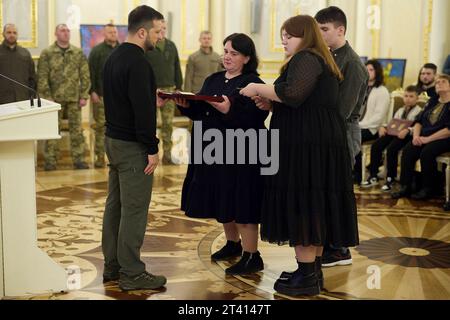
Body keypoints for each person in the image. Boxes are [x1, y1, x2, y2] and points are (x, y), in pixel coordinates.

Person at [240, 15, 359, 296]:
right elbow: (303, 102)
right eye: (283, 36)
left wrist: (258, 88)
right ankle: (311, 271)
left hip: (307, 147)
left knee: (304, 205)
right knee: (314, 205)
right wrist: (273, 105)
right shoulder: (321, 58)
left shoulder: (307, 57)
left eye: (289, 37)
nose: (284, 41)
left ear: (305, 38)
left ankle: (306, 276)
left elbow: (292, 93)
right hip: (316, 142)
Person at [175, 33, 269, 275]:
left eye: (234, 53)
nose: (227, 56)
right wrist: (187, 105)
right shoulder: (214, 78)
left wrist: (230, 109)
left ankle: (252, 255)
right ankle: (232, 244)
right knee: (223, 196)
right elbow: (203, 111)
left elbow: (257, 117)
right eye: (225, 51)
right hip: (213, 149)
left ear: (247, 58)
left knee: (242, 200)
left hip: (243, 150)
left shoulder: (253, 82)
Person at [101, 5, 167, 291]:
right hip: (132, 146)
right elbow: (142, 111)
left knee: (115, 206)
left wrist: (148, 97)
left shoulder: (113, 56)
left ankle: (112, 266)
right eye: (157, 31)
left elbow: (123, 99)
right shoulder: (139, 62)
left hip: (113, 139)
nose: (161, 37)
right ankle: (132, 272)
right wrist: (151, 147)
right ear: (142, 32)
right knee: (135, 209)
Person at [314, 6, 368, 268]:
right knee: (324, 188)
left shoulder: (353, 63)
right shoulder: (324, 56)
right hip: (326, 129)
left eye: (324, 29)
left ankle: (339, 249)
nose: (319, 34)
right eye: (317, 29)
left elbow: (343, 110)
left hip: (343, 131)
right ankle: (327, 242)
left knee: (337, 189)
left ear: (340, 30)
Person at [38, 24, 91, 171]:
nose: (66, 33)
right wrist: (47, 97)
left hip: (74, 98)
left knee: (77, 130)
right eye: (62, 30)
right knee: (53, 130)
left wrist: (84, 95)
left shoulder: (77, 52)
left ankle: (79, 159)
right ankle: (50, 160)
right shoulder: (47, 53)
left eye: (68, 31)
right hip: (54, 99)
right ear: (56, 33)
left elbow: (85, 75)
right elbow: (42, 76)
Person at [392, 74, 450, 200]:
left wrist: (428, 139)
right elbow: (419, 121)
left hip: (443, 138)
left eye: (443, 81)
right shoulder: (432, 101)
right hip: (423, 136)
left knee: (427, 153)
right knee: (408, 151)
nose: (439, 84)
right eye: (438, 82)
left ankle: (428, 188)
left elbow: (448, 130)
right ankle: (405, 186)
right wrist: (416, 137)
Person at [361, 85, 422, 191]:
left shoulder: (419, 111)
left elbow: (419, 125)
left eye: (411, 96)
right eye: (406, 96)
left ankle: (390, 178)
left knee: (392, 149)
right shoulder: (400, 110)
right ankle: (373, 174)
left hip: (407, 136)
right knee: (376, 145)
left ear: (417, 98)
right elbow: (392, 122)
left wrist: (409, 130)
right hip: (394, 133)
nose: (407, 99)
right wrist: (383, 127)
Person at [145, 20, 183, 165]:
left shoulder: (171, 45)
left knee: (168, 124)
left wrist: (179, 86)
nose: (162, 31)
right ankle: (151, 152)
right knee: (150, 124)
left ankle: (167, 154)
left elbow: (177, 66)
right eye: (159, 29)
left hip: (169, 90)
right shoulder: (149, 45)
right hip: (151, 91)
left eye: (164, 29)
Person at [354, 59, 391, 184]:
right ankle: (347, 170)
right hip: (360, 125)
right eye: (365, 69)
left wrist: (358, 125)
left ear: (377, 72)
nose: (367, 72)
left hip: (373, 128)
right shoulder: (361, 87)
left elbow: (378, 117)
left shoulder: (382, 91)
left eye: (371, 70)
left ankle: (357, 174)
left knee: (354, 138)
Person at [88, 24, 119, 168]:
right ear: (104, 34)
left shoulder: (122, 50)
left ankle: (116, 157)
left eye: (115, 32)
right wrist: (92, 91)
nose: (113, 34)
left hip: (119, 97)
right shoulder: (97, 51)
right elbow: (91, 73)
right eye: (110, 32)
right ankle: (100, 157)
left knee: (118, 128)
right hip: (101, 96)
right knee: (101, 128)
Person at [0, 24, 36, 104]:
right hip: (3, 101)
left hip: (23, 99)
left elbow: (32, 78)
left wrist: (32, 96)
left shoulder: (25, 53)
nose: (12, 35)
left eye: (14, 33)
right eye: (9, 32)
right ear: (3, 34)